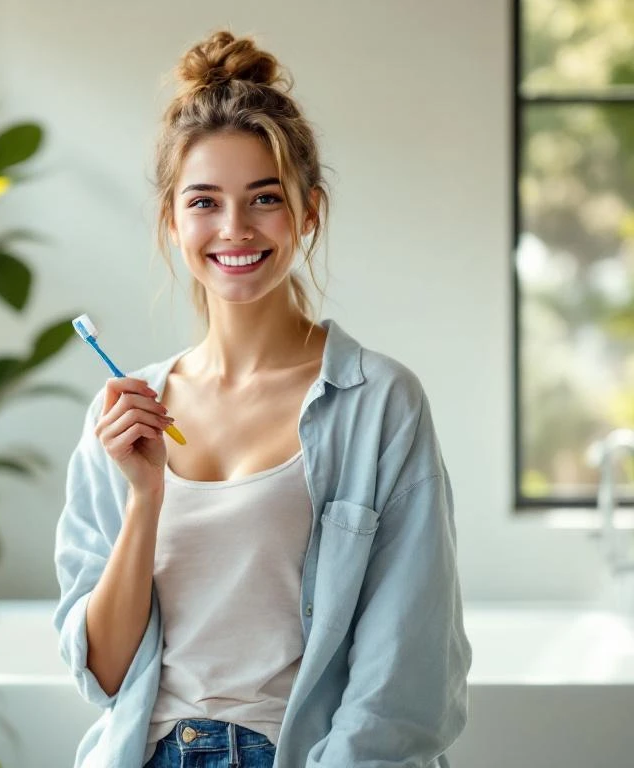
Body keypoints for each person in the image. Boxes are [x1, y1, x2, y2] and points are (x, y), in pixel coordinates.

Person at [53, 29, 472, 768]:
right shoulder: (122, 417)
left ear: (310, 211)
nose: (235, 229)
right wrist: (145, 498)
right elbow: (105, 675)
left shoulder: (380, 404)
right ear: (172, 220)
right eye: (204, 202)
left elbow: (407, 680)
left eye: (265, 199)